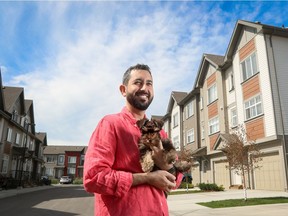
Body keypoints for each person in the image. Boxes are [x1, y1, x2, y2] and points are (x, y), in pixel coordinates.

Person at [84, 64, 183, 216]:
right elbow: (94, 177)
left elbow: (175, 181)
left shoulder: (160, 132)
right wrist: (147, 178)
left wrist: (166, 166)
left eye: (149, 83)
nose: (145, 88)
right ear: (123, 90)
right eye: (138, 82)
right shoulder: (110, 124)